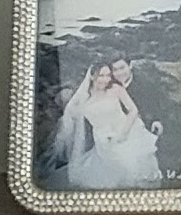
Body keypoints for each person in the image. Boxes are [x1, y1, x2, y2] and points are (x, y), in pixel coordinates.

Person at [49, 55, 166, 194]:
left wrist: (123, 132)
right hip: (104, 137)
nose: (106, 79)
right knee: (119, 167)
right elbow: (70, 115)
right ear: (92, 77)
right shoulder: (83, 101)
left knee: (137, 163)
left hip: (129, 128)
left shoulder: (116, 89)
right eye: (101, 75)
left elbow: (133, 110)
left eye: (108, 75)